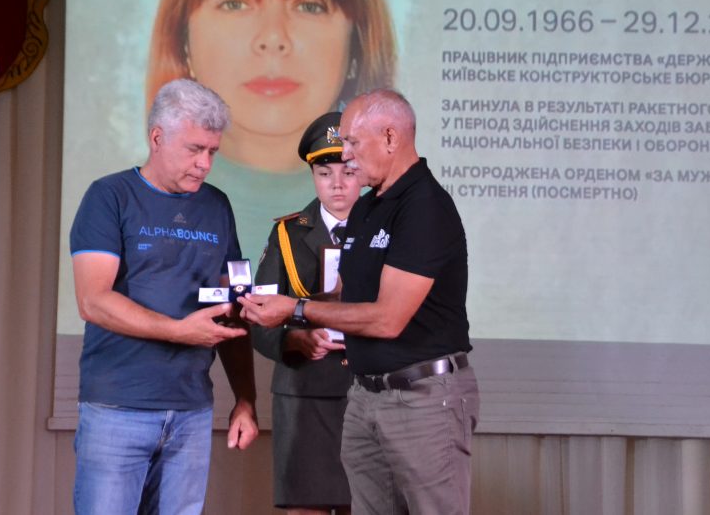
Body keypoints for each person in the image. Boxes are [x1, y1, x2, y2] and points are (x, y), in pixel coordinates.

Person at [239, 89, 479, 515]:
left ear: (390, 137)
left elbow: (388, 319)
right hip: (366, 397)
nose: (346, 156)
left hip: (421, 396)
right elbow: (344, 294)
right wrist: (271, 306)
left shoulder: (425, 207)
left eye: (352, 142)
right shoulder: (370, 207)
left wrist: (294, 309)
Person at [144, 0, 398, 264]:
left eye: (309, 6)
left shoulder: (397, 218)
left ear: (357, 45)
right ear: (183, 39)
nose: (273, 38)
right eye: (235, 3)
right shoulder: (128, 207)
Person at [69, 79, 259, 515]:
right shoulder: (109, 196)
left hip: (192, 412)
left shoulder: (217, 206)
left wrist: (245, 399)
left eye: (212, 151)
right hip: (117, 408)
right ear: (157, 137)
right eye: (195, 149)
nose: (205, 164)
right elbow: (92, 300)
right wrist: (178, 331)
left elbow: (232, 309)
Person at [252, 112, 361, 515]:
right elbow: (259, 318)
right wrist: (295, 339)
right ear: (313, 175)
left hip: (369, 392)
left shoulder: (386, 232)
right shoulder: (287, 234)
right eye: (324, 172)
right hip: (304, 394)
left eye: (348, 171)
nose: (337, 184)